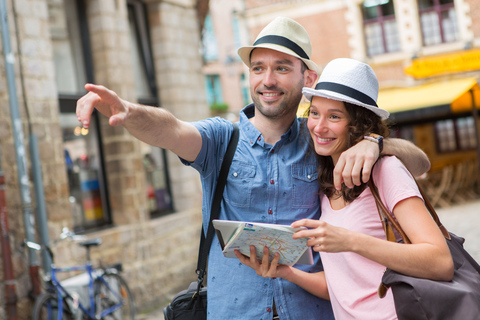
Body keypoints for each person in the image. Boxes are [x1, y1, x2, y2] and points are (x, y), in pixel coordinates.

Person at [76, 16, 431, 320]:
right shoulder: (220, 140)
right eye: (258, 68)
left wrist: (375, 142)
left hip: (312, 310)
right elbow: (170, 129)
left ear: (308, 79)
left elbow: (418, 163)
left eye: (281, 68)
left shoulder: (322, 140)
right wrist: (129, 111)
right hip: (236, 309)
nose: (267, 80)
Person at [235, 58, 454, 319]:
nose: (319, 126)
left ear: (358, 124)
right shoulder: (324, 185)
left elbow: (441, 262)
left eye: (334, 116)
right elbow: (344, 287)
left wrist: (348, 240)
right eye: (314, 113)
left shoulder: (385, 171)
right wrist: (287, 272)